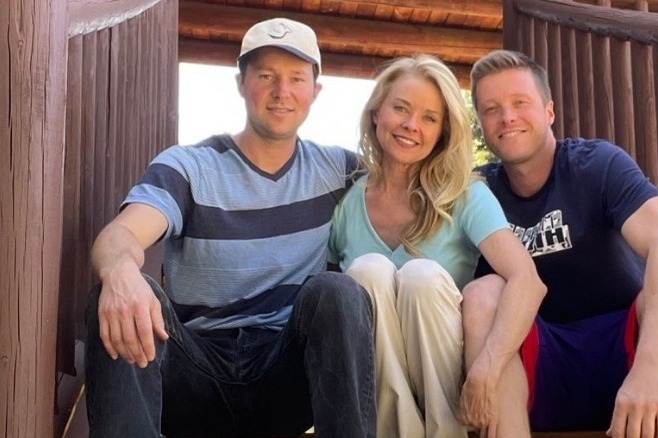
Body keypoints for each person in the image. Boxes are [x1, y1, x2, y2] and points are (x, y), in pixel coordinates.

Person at [83, 18, 376, 438]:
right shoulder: (189, 166)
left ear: (316, 91)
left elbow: (412, 182)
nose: (282, 91)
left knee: (339, 291)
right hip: (193, 375)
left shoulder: (340, 170)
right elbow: (120, 236)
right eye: (266, 76)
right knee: (118, 296)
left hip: (284, 376)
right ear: (241, 83)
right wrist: (120, 273)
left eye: (296, 78)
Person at [459, 49, 658, 438]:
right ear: (482, 124)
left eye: (520, 102)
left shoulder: (597, 164)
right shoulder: (477, 191)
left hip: (625, 355)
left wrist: (651, 367)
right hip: (538, 366)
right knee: (484, 293)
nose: (507, 117)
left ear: (549, 111)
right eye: (491, 109)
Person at [328, 54, 546, 438]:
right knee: (366, 272)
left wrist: (485, 371)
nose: (412, 126)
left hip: (446, 382)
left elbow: (527, 280)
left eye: (429, 118)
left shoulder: (465, 195)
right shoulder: (347, 204)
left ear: (443, 131)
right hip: (375, 396)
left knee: (422, 276)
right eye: (401, 109)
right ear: (377, 113)